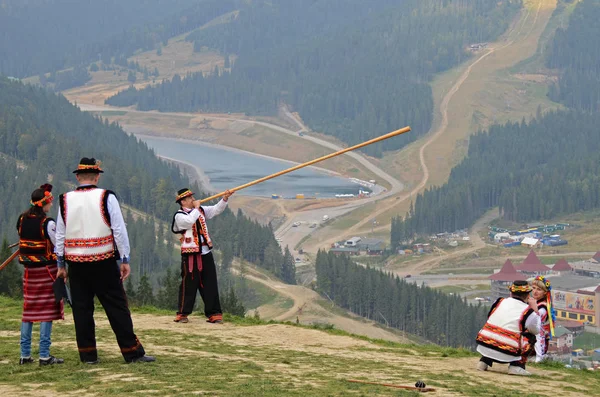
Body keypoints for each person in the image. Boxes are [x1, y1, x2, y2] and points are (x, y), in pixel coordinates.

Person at [54, 157, 154, 364]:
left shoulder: (65, 199)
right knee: (117, 307)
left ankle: (88, 354)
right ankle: (131, 351)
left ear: (78, 176)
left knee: (82, 310)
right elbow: (118, 229)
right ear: (97, 176)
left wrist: (60, 264)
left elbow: (60, 235)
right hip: (103, 261)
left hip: (76, 263)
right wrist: (125, 258)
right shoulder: (106, 197)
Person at [16, 184, 64, 366]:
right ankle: (44, 355)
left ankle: (25, 355)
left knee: (28, 312)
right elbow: (58, 244)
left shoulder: (22, 219)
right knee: (46, 312)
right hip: (46, 271)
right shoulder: (48, 223)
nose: (50, 205)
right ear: (44, 203)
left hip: (29, 272)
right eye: (49, 202)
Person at [171, 188, 233, 324]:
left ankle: (214, 313)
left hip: (206, 252)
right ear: (183, 201)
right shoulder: (179, 216)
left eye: (193, 197)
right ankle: (183, 313)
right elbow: (189, 222)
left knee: (210, 283)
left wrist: (225, 199)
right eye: (190, 198)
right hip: (190, 255)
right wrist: (197, 208)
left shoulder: (201, 210)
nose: (193, 199)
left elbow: (216, 210)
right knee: (188, 284)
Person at [475, 280, 540, 376]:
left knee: (496, 328)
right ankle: (517, 365)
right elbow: (536, 330)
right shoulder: (528, 312)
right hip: (508, 351)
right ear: (527, 295)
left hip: (484, 344)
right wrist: (535, 310)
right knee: (530, 337)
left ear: (511, 293)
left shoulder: (498, 302)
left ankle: (484, 362)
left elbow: (490, 316)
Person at [531, 275, 555, 362]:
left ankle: (538, 357)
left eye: (539, 289)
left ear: (545, 292)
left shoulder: (543, 307)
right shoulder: (534, 301)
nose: (535, 291)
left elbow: (536, 319)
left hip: (538, 340)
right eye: (534, 288)